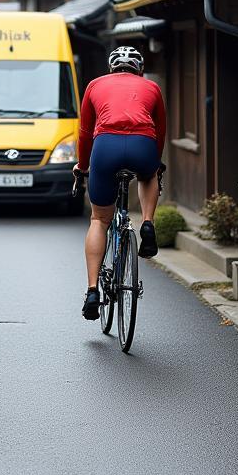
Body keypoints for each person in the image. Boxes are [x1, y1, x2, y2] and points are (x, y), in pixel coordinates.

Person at [73, 45, 166, 321]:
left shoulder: (94, 85)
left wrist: (83, 165)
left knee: (99, 220)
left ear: (111, 67)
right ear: (139, 69)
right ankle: (147, 222)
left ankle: (92, 291)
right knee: (149, 175)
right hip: (143, 143)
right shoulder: (152, 87)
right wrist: (154, 161)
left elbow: (85, 132)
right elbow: (160, 130)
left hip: (106, 146)